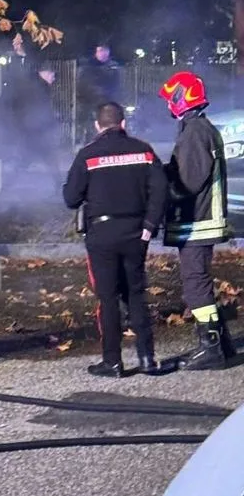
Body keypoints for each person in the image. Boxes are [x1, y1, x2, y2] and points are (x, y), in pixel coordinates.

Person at [63, 102, 168, 377]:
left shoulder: (87, 155)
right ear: (123, 123)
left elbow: (71, 198)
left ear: (97, 126)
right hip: (136, 232)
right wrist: (150, 226)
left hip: (101, 234)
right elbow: (160, 190)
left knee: (108, 298)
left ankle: (113, 361)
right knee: (136, 293)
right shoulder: (144, 151)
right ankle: (147, 358)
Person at [158, 71, 236, 371]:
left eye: (171, 99)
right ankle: (222, 345)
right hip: (203, 219)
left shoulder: (194, 132)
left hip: (198, 222)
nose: (168, 105)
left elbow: (188, 182)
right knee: (199, 282)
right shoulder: (200, 128)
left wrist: (161, 185)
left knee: (195, 285)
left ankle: (211, 348)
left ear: (182, 97)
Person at [6, 64, 63, 192]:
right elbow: (36, 109)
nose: (53, 78)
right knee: (45, 157)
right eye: (52, 75)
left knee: (27, 158)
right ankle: (59, 184)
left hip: (33, 129)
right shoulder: (37, 88)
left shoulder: (37, 85)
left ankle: (7, 182)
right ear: (45, 73)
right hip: (35, 129)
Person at [76, 43, 124, 145]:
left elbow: (118, 85)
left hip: (109, 104)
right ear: (96, 52)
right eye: (100, 51)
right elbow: (83, 86)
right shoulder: (88, 67)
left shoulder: (113, 67)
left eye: (105, 51)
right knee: (92, 130)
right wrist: (97, 95)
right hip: (91, 104)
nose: (103, 53)